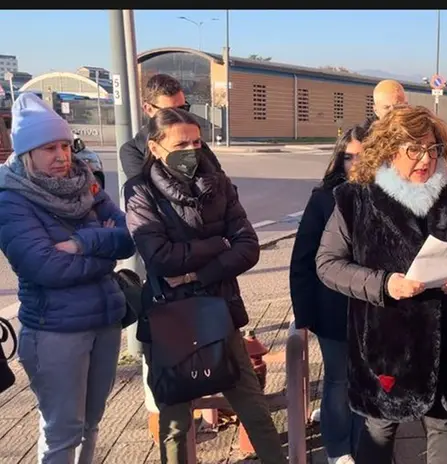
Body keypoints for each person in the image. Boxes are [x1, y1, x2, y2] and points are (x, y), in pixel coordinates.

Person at [315, 105, 447, 464]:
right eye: (413, 150)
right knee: (380, 428)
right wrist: (386, 284)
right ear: (389, 149)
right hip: (387, 345)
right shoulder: (356, 197)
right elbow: (327, 264)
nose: (426, 160)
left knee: (446, 427)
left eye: (432, 149)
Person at [123, 108, 285, 464]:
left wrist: (200, 273)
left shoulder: (219, 182)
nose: (192, 150)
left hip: (220, 308)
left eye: (197, 141)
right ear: (156, 146)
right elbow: (160, 257)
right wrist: (219, 244)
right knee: (176, 423)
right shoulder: (140, 190)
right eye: (181, 143)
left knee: (254, 409)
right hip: (169, 319)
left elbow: (248, 247)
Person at [0, 93, 135, 463]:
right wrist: (105, 252)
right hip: (55, 332)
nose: (62, 156)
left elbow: (129, 235)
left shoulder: (85, 183)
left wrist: (80, 243)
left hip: (105, 323)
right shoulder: (11, 199)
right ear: (27, 153)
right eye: (48, 148)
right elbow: (45, 267)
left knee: (92, 424)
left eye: (64, 145)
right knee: (62, 432)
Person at [290, 125, 367, 464]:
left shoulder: (389, 196)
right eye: (347, 157)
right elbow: (302, 259)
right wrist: (304, 314)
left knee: (367, 380)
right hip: (333, 306)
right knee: (339, 378)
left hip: (375, 307)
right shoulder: (324, 198)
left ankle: (364, 443)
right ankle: (338, 450)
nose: (354, 164)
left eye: (362, 157)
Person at [120, 73, 222, 181]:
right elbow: (145, 191)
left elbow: (222, 183)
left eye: (183, 108)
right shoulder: (133, 151)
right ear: (148, 109)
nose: (179, 116)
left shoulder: (194, 142)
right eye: (169, 112)